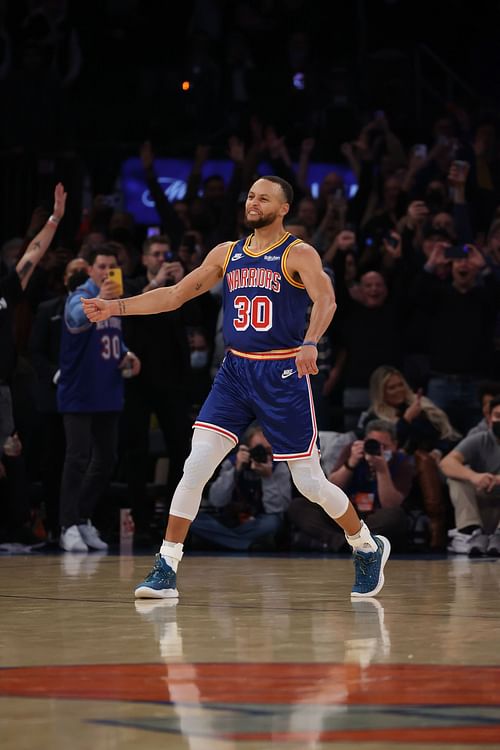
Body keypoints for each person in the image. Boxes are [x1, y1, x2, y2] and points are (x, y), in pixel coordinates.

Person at [82, 175, 391, 599]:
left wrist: (309, 343)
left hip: (282, 373)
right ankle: (166, 565)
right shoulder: (227, 253)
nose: (253, 202)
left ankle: (365, 545)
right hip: (235, 372)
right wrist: (115, 307)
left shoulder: (298, 253)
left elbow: (327, 300)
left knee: (309, 483)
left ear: (283, 208)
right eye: (249, 195)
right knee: (196, 465)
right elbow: (174, 295)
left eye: (263, 198)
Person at [57, 246, 141, 552]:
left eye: (111, 266)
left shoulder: (115, 302)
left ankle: (81, 517)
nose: (107, 271)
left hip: (108, 389)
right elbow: (77, 321)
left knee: (106, 460)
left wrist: (128, 356)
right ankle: (67, 525)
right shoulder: (79, 296)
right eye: (101, 266)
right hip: (79, 390)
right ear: (90, 270)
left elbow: (113, 340)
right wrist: (103, 299)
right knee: (77, 458)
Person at [0, 183, 67, 544]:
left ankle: (18, 529)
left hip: (3, 391)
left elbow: (34, 254)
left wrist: (55, 218)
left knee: (14, 457)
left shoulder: (6, 289)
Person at [358, 365, 461, 549]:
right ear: (381, 392)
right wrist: (406, 420)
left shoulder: (421, 407)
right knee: (421, 459)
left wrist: (438, 450)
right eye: (391, 387)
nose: (398, 391)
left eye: (400, 385)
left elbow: (444, 435)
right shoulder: (374, 416)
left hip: (428, 464)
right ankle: (436, 523)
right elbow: (391, 441)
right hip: (393, 466)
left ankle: (437, 523)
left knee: (424, 459)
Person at [289, 420, 414, 553]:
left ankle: (356, 541)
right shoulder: (352, 451)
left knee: (395, 515)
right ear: (364, 441)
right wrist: (351, 463)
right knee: (298, 506)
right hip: (346, 513)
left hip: (375, 517)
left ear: (395, 445)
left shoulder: (402, 462)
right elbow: (330, 488)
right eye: (373, 444)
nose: (378, 449)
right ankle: (342, 542)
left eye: (384, 446)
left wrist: (382, 470)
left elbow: (390, 503)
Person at [190, 425, 291, 551]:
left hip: (259, 522)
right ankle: (245, 543)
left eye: (267, 450)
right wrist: (235, 470)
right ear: (247, 449)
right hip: (231, 521)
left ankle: (226, 541)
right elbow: (216, 500)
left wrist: (268, 478)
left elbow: (278, 509)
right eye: (257, 449)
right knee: (191, 519)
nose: (261, 454)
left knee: (273, 523)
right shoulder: (232, 463)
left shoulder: (279, 467)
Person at [441, 396, 500, 557]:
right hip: (483, 507)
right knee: (456, 478)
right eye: (497, 416)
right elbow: (446, 463)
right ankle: (471, 531)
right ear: (489, 418)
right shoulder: (480, 439)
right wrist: (474, 476)